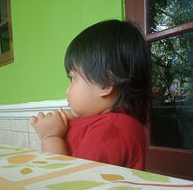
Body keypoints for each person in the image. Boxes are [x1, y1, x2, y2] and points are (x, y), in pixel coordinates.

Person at [30, 19, 152, 170]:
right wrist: (70, 116)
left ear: (105, 84)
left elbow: (68, 180)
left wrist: (50, 137)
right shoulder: (103, 121)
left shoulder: (113, 129)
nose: (67, 90)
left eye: (73, 78)